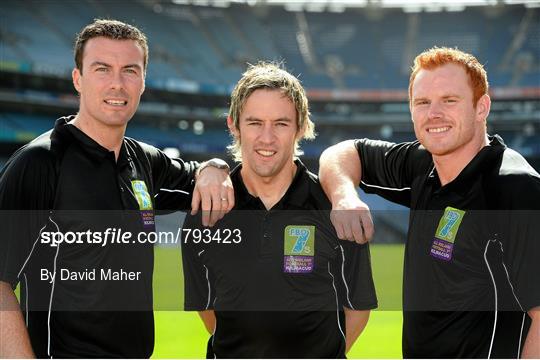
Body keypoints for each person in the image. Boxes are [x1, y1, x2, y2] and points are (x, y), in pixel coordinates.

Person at [0, 19, 234, 358]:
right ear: (77, 79)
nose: (117, 84)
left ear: (142, 82)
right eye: (102, 69)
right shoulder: (40, 162)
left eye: (129, 71)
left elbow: (203, 178)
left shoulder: (143, 160)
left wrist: (216, 167)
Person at [319, 47, 540, 358]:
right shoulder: (422, 165)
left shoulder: (514, 187)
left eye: (449, 101)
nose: (433, 114)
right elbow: (342, 152)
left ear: (481, 107)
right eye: (422, 102)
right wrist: (343, 195)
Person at [181, 62, 377, 358]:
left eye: (281, 123)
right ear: (234, 124)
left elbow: (357, 307)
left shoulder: (335, 208)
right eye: (255, 122)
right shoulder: (205, 211)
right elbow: (206, 307)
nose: (267, 138)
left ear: (300, 127)